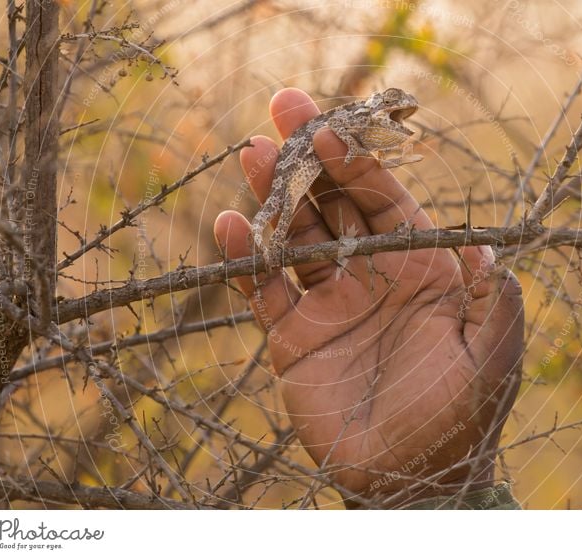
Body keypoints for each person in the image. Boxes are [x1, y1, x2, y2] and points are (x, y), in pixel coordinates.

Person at [213, 88, 524, 509]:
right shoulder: (353, 122)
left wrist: (433, 483)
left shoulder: (367, 130)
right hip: (303, 163)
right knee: (279, 212)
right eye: (390, 108)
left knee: (280, 213)